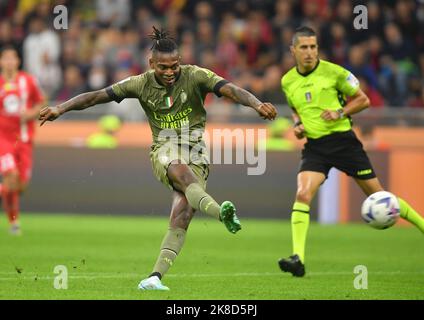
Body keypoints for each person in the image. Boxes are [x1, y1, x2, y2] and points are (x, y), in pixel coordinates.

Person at [39, 27, 277, 290]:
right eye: (163, 67)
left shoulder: (196, 76)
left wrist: (256, 104)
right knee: (182, 175)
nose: (170, 72)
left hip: (196, 153)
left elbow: (230, 89)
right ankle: (221, 213)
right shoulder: (139, 83)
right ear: (151, 63)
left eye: (174, 66)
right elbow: (95, 97)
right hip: (164, 148)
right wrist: (60, 108)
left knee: (182, 215)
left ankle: (154, 278)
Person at [278, 26, 424, 277]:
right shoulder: (287, 81)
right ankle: (298, 259)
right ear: (293, 50)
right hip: (316, 147)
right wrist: (297, 124)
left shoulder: (335, 73)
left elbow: (363, 99)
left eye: (313, 46)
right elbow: (295, 107)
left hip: (344, 143)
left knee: (380, 196)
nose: (310, 52)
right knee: (302, 193)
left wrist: (340, 112)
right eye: (304, 47)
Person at [0, 45, 45, 235]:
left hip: (24, 139)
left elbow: (41, 102)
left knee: (21, 185)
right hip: (3, 139)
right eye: (6, 58)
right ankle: (14, 222)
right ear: (1, 61)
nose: (9, 62)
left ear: (18, 61)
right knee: (11, 176)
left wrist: (32, 113)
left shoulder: (28, 81)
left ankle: (12, 219)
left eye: (13, 58)